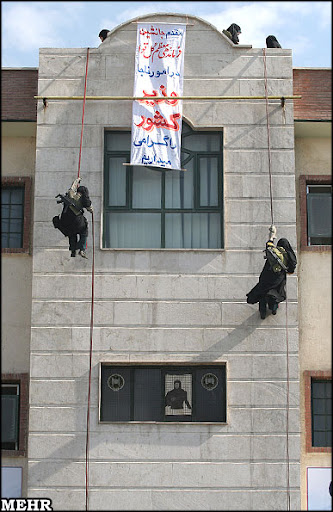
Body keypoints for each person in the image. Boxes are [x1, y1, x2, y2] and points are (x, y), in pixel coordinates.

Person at [246, 225, 297, 319]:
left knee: (261, 292)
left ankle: (263, 311)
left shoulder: (274, 251)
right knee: (277, 294)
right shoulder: (289, 256)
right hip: (278, 277)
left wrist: (272, 235)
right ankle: (273, 308)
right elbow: (292, 268)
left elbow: (269, 245)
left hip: (266, 275)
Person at [53, 178, 93, 258]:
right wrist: (91, 210)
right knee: (84, 229)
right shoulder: (84, 200)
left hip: (65, 223)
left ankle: (73, 250)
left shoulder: (70, 194)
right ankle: (82, 249)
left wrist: (77, 180)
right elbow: (90, 209)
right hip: (77, 222)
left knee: (72, 233)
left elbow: (72, 187)